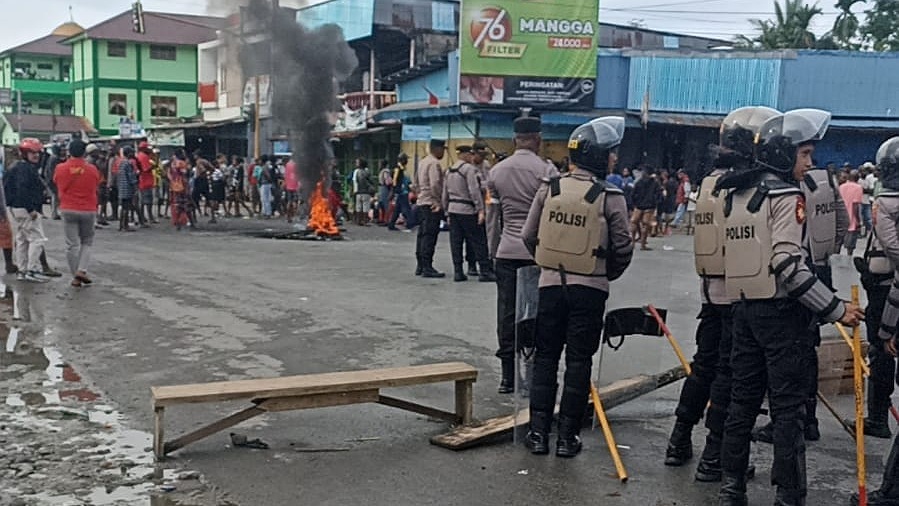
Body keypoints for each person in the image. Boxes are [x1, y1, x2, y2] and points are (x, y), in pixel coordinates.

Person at [716, 109, 864, 505]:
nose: (810, 163)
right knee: (788, 409)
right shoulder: (785, 195)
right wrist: (835, 308)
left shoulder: (737, 194)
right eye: (805, 155)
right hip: (781, 316)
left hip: (743, 311)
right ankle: (789, 495)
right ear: (784, 155)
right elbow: (787, 265)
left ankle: (732, 489)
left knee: (742, 403)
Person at [663, 106, 780, 479]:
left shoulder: (710, 181)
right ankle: (715, 454)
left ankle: (679, 440)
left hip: (710, 294)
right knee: (732, 377)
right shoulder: (749, 185)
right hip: (740, 296)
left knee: (703, 368)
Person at [521, 116, 633, 457]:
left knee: (545, 359)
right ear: (598, 156)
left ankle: (538, 434)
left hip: (550, 286)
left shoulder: (549, 189)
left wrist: (550, 265)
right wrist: (602, 273)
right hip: (591, 291)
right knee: (579, 361)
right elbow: (624, 247)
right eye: (611, 153)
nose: (614, 158)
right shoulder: (610, 196)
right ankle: (568, 438)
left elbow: (528, 237)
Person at [487, 116, 558, 393]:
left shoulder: (496, 172)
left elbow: (493, 219)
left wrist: (492, 253)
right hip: (537, 254)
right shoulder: (548, 171)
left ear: (515, 139)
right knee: (535, 313)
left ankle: (507, 377)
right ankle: (531, 376)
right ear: (538, 139)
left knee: (507, 313)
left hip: (506, 252)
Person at [853, 136, 899, 506]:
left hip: (886, 289)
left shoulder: (885, 203)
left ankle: (877, 416)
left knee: (881, 351)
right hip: (885, 284)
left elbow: (892, 246)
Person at [442, 145, 496, 282]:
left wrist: (446, 211)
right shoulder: (469, 169)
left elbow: (444, 193)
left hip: (453, 209)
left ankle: (458, 271)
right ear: (466, 155)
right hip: (467, 209)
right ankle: (484, 271)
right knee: (478, 240)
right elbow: (474, 191)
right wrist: (480, 210)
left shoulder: (449, 170)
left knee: (456, 242)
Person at [53, 139, 100, 288]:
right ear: (85, 152)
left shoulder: (60, 168)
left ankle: (75, 275)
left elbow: (55, 181)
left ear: (68, 152)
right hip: (88, 209)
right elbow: (96, 184)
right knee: (87, 241)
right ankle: (82, 270)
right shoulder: (92, 169)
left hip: (68, 208)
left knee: (72, 244)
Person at [5, 138, 50, 282]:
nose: (36, 155)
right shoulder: (27, 169)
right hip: (26, 209)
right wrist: (31, 209)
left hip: (14, 209)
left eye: (37, 152)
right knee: (37, 240)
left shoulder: (14, 167)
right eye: (32, 152)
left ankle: (22, 270)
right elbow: (22, 190)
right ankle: (31, 270)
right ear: (25, 154)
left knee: (22, 240)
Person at [414, 139, 446, 278]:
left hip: (422, 202)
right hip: (431, 204)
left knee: (422, 234)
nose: (444, 152)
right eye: (443, 149)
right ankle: (427, 267)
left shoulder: (422, 162)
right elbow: (435, 184)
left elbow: (415, 183)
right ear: (437, 149)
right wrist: (438, 201)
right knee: (430, 235)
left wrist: (420, 195)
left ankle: (420, 265)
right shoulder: (434, 163)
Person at [630, 167, 661, 250]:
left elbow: (633, 194)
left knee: (634, 222)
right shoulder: (655, 183)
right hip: (649, 206)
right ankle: (643, 245)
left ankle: (632, 242)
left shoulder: (639, 182)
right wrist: (655, 203)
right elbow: (658, 194)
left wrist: (634, 203)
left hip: (638, 206)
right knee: (645, 225)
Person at [841, 170, 865, 256]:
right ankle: (849, 258)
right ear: (858, 178)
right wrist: (858, 219)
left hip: (841, 217)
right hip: (852, 218)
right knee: (850, 245)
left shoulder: (841, 186)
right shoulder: (858, 188)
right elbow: (856, 205)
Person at [388, 153, 413, 231]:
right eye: (406, 159)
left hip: (401, 191)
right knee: (406, 209)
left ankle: (391, 224)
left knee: (397, 209)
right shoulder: (398, 168)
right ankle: (410, 223)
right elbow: (395, 180)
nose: (407, 161)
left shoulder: (401, 168)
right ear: (402, 160)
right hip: (401, 192)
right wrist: (394, 190)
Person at [117, 146, 139, 232]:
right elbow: (131, 177)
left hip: (122, 187)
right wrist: (135, 186)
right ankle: (125, 225)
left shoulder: (121, 162)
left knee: (123, 207)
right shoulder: (128, 163)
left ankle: (121, 225)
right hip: (127, 188)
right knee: (127, 207)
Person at [352, 158, 374, 226]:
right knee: (365, 206)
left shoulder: (357, 172)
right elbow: (371, 181)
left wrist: (354, 191)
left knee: (358, 206)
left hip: (358, 191)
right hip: (366, 192)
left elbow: (355, 182)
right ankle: (365, 221)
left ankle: (358, 221)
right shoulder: (367, 172)